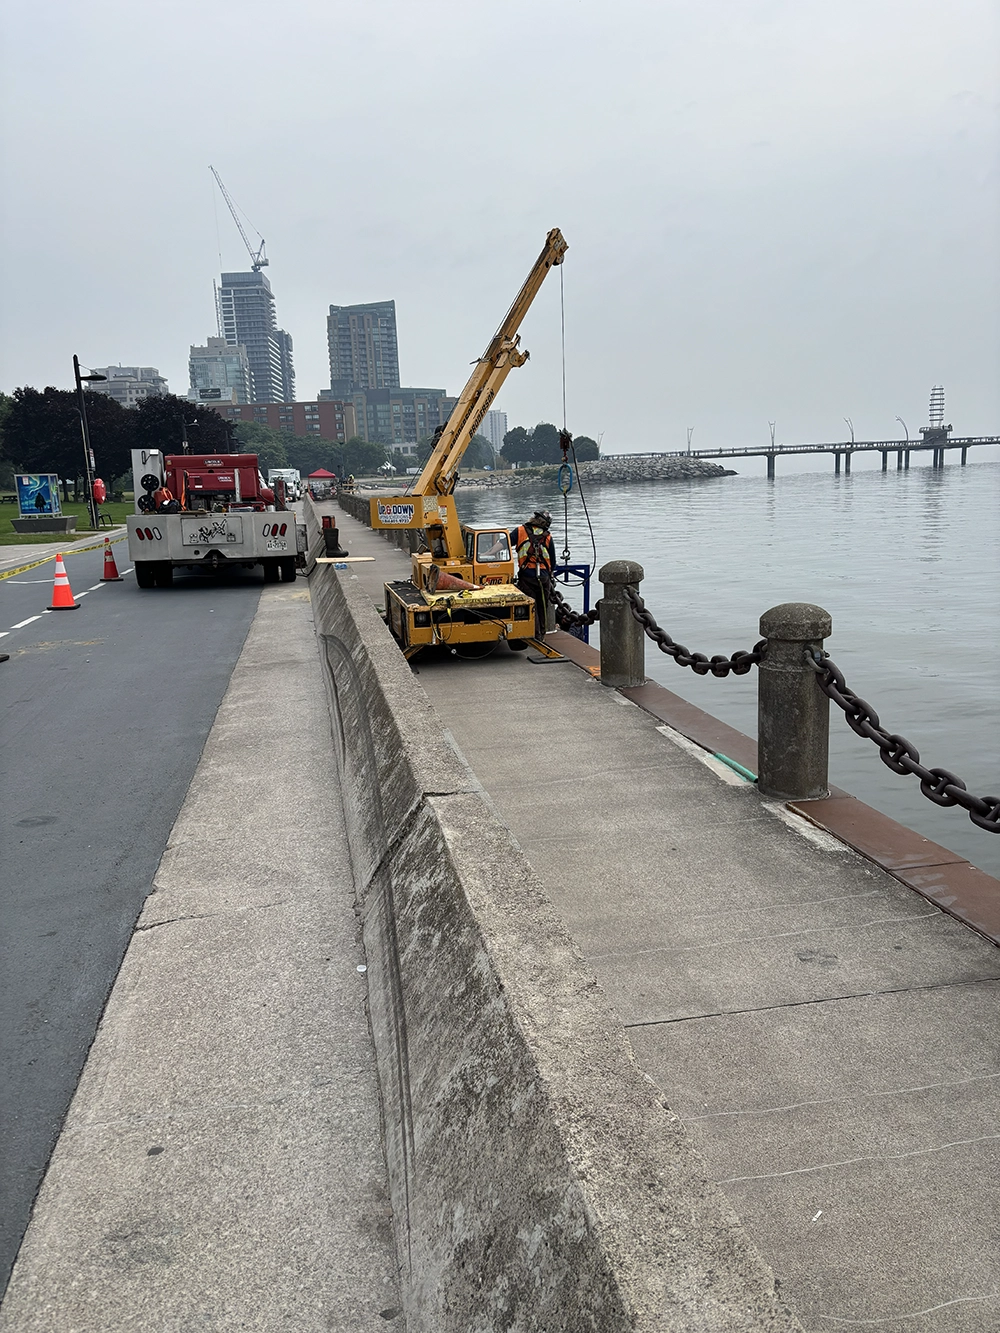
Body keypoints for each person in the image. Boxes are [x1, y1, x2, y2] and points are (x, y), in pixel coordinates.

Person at [510, 509, 556, 637]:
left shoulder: (520, 531)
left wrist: (487, 553)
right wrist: (550, 575)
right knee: (542, 606)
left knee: (530, 606)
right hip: (543, 577)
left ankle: (532, 632)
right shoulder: (547, 536)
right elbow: (553, 560)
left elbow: (503, 543)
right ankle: (541, 633)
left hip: (527, 576)